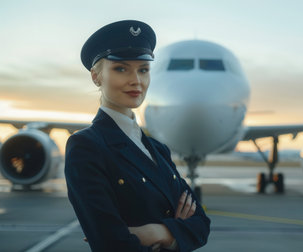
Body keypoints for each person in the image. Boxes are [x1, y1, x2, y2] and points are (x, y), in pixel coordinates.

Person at [65, 20, 210, 252]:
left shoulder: (157, 149)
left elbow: (202, 225)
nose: (136, 80)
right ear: (96, 77)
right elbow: (111, 244)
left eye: (143, 69)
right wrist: (176, 231)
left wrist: (155, 233)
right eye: (121, 68)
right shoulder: (86, 146)